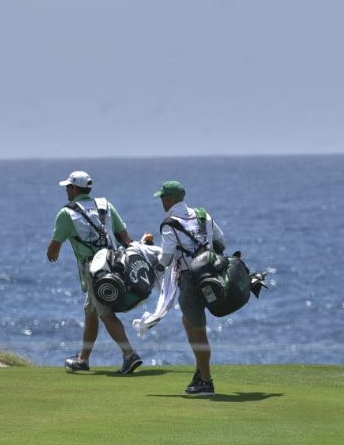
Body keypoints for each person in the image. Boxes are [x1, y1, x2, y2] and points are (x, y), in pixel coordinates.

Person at [45, 170, 144, 375]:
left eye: (68, 187)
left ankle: (129, 354)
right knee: (90, 311)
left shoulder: (66, 213)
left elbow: (54, 248)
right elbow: (125, 237)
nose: (66, 191)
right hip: (114, 263)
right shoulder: (105, 205)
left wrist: (51, 255)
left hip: (94, 270)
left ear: (74, 189)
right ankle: (83, 359)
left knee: (105, 314)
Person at [150, 180, 225, 396]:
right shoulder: (202, 215)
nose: (162, 201)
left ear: (169, 199)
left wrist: (154, 267)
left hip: (190, 280)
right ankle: (200, 372)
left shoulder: (170, 224)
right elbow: (221, 242)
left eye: (163, 198)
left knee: (198, 330)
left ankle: (206, 381)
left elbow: (166, 258)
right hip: (210, 275)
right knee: (189, 323)